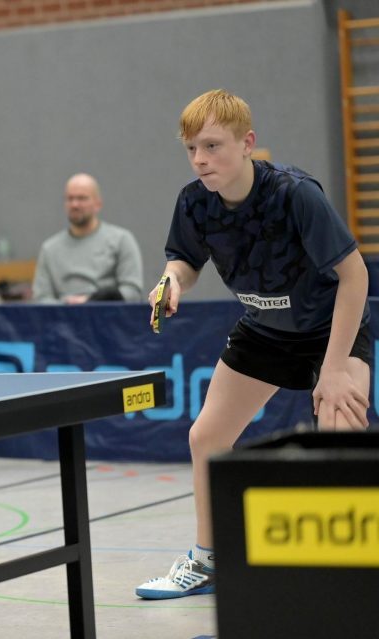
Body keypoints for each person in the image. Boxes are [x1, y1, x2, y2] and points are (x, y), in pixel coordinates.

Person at [135, 89, 371, 600]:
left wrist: (332, 370)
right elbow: (186, 261)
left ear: (248, 143)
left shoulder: (294, 194)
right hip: (264, 331)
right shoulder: (194, 202)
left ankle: (349, 574)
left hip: (331, 327)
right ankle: (209, 560)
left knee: (341, 431)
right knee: (207, 436)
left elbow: (355, 277)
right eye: (192, 148)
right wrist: (172, 279)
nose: (200, 159)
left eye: (213, 146)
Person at [32, 173, 143, 303]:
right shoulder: (49, 249)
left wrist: (95, 300)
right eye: (70, 198)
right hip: (63, 320)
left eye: (82, 198)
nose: (75, 204)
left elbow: (133, 292)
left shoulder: (121, 240)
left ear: (98, 204)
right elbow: (40, 299)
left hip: (108, 317)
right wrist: (67, 304)